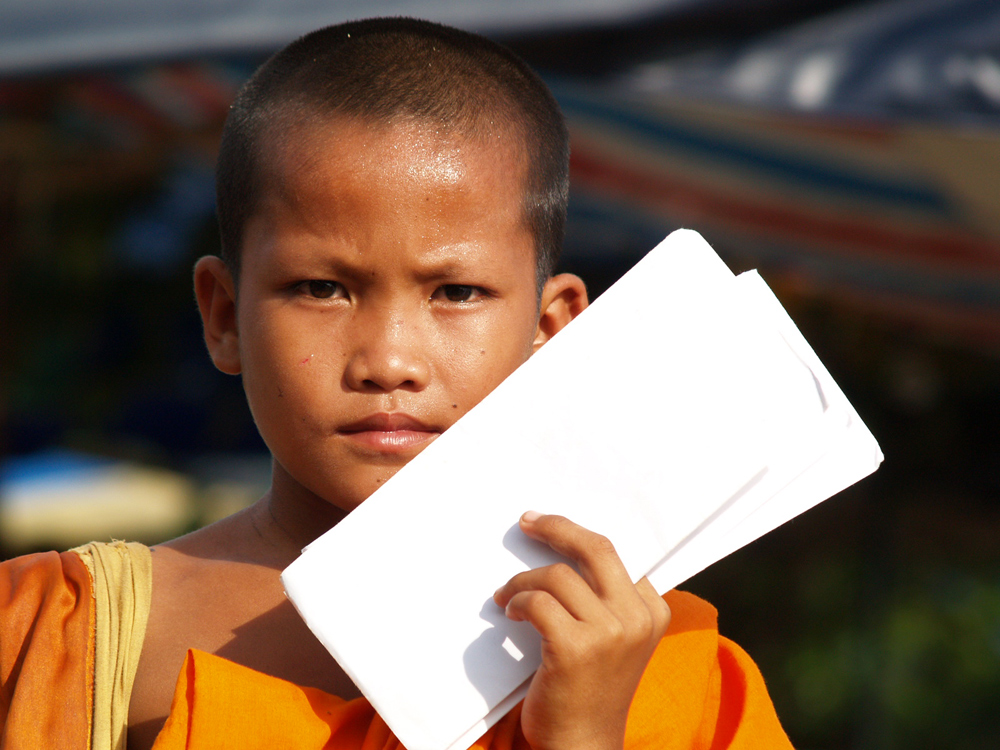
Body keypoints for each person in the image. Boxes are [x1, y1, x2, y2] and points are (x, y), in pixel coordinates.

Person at [0, 18, 793, 750]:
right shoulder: (61, 633)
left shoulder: (662, 664)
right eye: (321, 288)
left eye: (456, 293)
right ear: (224, 316)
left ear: (552, 331)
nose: (388, 359)